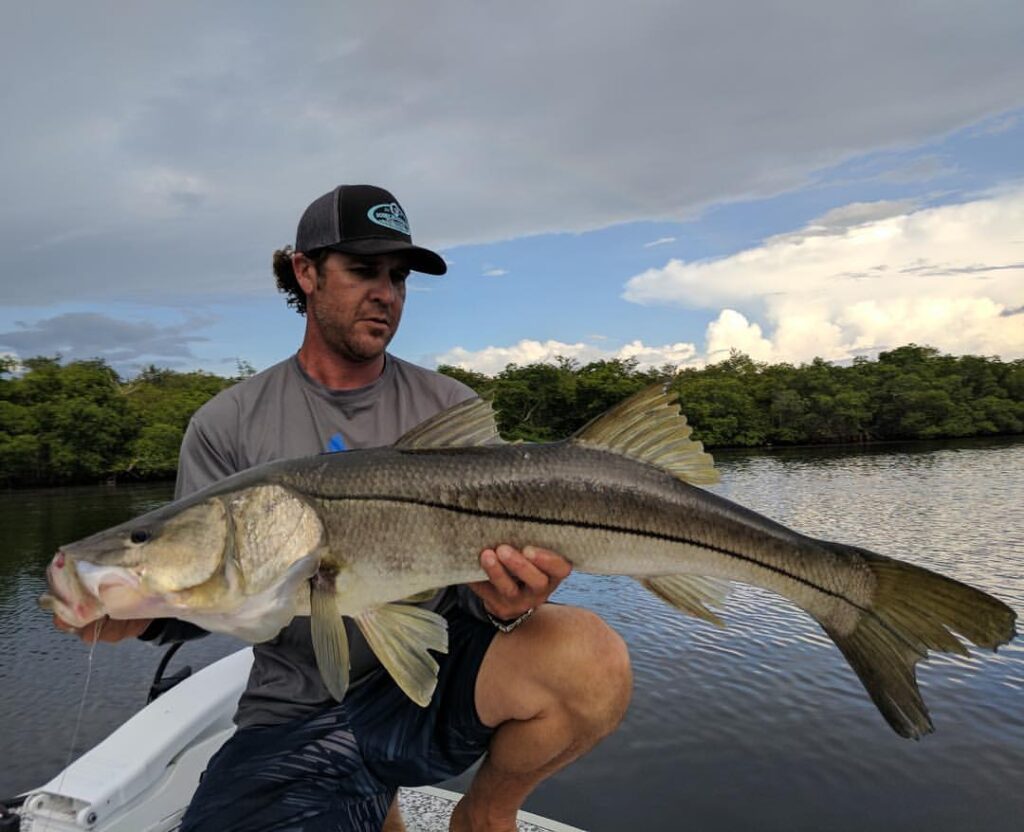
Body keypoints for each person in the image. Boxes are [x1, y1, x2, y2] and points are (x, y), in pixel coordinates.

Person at [55, 184, 632, 832]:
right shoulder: (228, 424)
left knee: (588, 658)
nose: (385, 292)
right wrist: (147, 617)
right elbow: (220, 589)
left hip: (429, 684)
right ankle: (369, 799)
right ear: (305, 272)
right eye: (362, 270)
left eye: (398, 276)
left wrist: (509, 600)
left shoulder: (450, 409)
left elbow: (470, 590)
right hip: (298, 705)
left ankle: (485, 814)